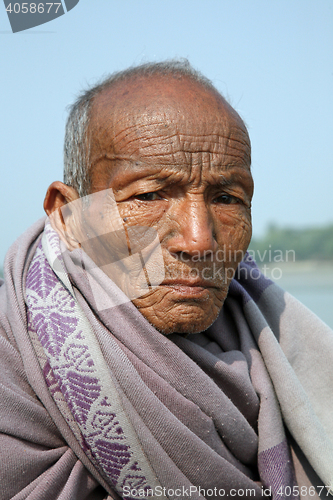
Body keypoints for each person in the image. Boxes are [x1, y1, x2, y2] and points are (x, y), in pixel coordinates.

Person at [1, 60, 333, 500]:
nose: (199, 240)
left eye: (227, 198)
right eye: (150, 194)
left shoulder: (278, 350)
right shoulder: (12, 366)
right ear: (68, 215)